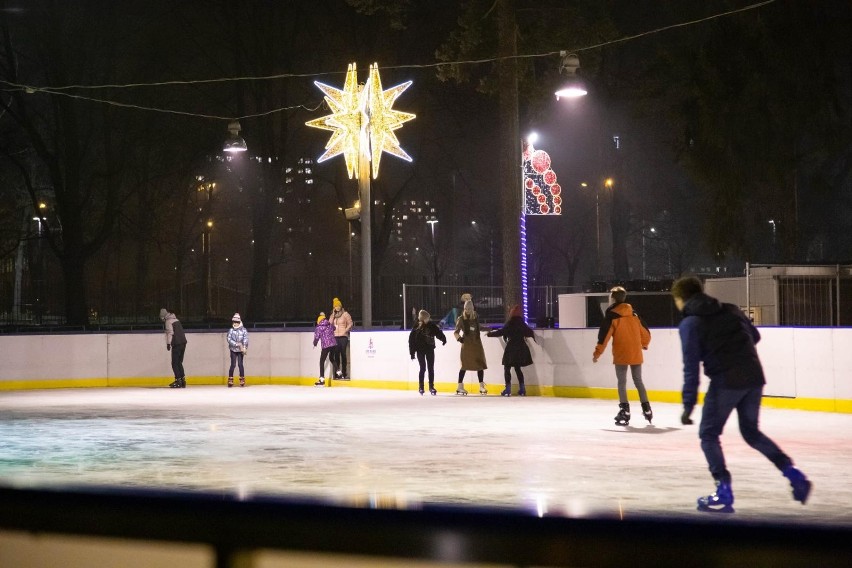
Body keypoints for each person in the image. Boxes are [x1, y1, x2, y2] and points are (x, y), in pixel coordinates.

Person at [671, 275, 812, 513]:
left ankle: (723, 490)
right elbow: (754, 336)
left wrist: (688, 405)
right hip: (753, 377)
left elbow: (691, 366)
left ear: (680, 299)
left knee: (708, 435)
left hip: (726, 381)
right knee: (752, 433)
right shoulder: (731, 310)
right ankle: (794, 474)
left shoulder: (690, 324)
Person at [592, 286, 653, 425]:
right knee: (638, 380)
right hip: (635, 352)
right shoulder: (634, 314)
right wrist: (644, 344)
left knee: (622, 382)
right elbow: (646, 333)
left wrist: (597, 353)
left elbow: (604, 337)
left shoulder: (612, 315)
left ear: (612, 298)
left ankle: (625, 410)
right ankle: (647, 408)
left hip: (621, 353)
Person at [486, 304, 535, 397]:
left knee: (507, 367)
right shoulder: (522, 323)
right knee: (517, 368)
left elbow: (501, 332)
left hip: (512, 348)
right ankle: (522, 389)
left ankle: (508, 389)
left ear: (511, 314)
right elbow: (529, 332)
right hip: (521, 347)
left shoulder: (510, 323)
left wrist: (490, 334)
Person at [408, 309, 447, 395]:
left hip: (430, 349)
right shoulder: (416, 327)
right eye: (427, 318)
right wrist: (412, 353)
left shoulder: (431, 326)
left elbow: (438, 333)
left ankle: (431, 387)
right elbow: (411, 341)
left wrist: (443, 339)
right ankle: (421, 387)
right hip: (420, 351)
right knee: (422, 368)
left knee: (430, 368)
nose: (428, 320)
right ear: (422, 319)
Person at [453, 299, 488, 395]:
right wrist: (460, 339)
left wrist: (488, 329)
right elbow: (456, 332)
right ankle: (460, 386)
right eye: (466, 308)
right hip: (467, 345)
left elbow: (478, 327)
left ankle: (481, 386)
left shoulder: (475, 317)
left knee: (480, 364)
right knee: (464, 365)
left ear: (472, 308)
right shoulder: (461, 319)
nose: (467, 310)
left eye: (469, 308)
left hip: (477, 344)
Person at [159, 308, 187, 388]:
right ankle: (183, 380)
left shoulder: (168, 321)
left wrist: (168, 343)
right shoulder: (176, 319)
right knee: (179, 362)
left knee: (174, 363)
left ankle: (178, 380)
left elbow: (170, 333)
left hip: (177, 343)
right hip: (183, 342)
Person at [330, 297, 353, 380]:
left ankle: (344, 372)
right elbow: (329, 324)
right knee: (336, 354)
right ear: (334, 307)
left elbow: (350, 323)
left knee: (343, 354)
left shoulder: (345, 314)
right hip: (335, 336)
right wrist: (332, 315)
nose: (338, 307)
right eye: (336, 306)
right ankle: (337, 373)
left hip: (343, 337)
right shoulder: (333, 315)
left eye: (339, 306)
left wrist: (345, 331)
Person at [312, 312, 338, 387]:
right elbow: (334, 328)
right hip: (333, 344)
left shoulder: (319, 327)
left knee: (321, 361)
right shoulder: (329, 325)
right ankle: (339, 372)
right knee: (331, 358)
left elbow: (316, 337)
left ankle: (322, 380)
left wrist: (314, 344)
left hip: (326, 345)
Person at [226, 313, 249, 387]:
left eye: (236, 322)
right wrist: (236, 344)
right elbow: (229, 339)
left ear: (239, 322)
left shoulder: (244, 330)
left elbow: (245, 339)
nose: (235, 324)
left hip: (240, 351)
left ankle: (242, 379)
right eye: (234, 322)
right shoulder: (231, 330)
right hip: (233, 350)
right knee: (233, 364)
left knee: (240, 364)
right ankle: (230, 379)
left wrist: (244, 347)